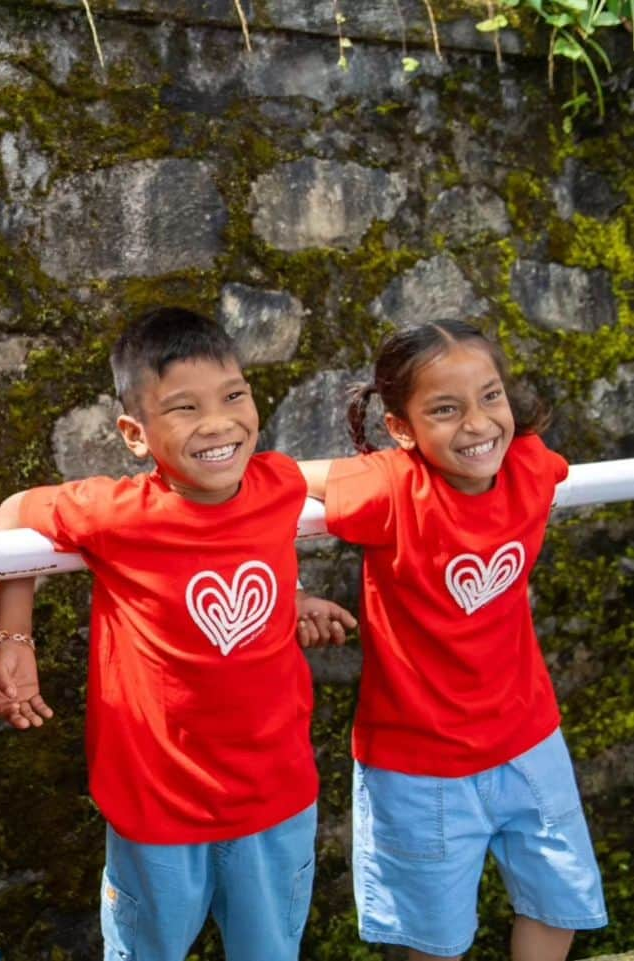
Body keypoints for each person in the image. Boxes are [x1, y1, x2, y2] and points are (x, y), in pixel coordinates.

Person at [0, 307, 356, 961]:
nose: (218, 423)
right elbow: (17, 513)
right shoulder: (119, 514)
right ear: (135, 433)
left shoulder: (275, 482)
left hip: (275, 797)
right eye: (184, 408)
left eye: (234, 395)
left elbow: (336, 491)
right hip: (156, 807)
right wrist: (14, 642)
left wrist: (290, 598)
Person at [297, 319, 608, 961]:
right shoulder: (389, 485)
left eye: (489, 397)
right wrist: (293, 593)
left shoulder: (529, 462)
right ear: (401, 428)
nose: (477, 424)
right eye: (445, 409)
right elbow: (271, 481)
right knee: (432, 940)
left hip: (530, 741)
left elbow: (548, 463)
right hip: (419, 764)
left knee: (560, 904)